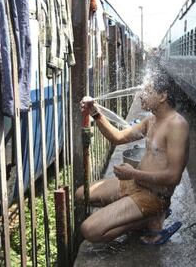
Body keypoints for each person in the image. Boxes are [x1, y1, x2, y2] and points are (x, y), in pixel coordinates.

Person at [76, 73, 189, 245]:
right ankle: (142, 215)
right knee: (81, 194)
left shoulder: (177, 125)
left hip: (154, 195)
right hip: (136, 184)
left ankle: (147, 219)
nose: (140, 95)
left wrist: (133, 173)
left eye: (146, 90)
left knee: (89, 230)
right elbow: (118, 137)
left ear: (162, 96)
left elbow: (174, 176)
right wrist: (95, 113)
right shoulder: (151, 120)